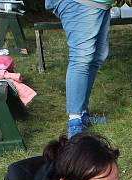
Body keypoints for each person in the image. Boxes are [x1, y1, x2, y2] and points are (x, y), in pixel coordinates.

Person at [45, 0, 111, 138]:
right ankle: (74, 122)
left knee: (96, 58)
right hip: (79, 3)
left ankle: (82, 113)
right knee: (81, 58)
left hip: (99, 4)